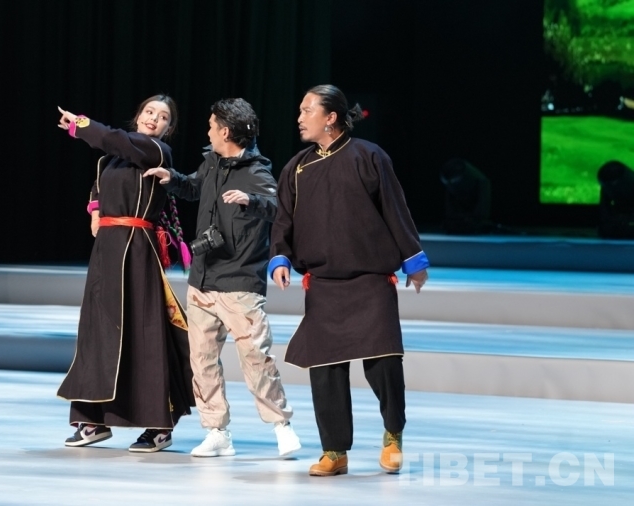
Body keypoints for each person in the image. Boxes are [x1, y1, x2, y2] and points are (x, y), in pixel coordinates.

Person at [269, 85, 429, 476]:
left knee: (384, 361)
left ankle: (393, 434)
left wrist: (413, 259)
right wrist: (280, 257)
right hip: (324, 283)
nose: (299, 118)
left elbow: (395, 208)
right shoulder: (297, 167)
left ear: (331, 118)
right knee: (324, 368)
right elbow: (284, 219)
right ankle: (334, 450)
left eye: (307, 110)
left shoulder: (369, 156)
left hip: (370, 279)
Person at [143, 98, 301, 458]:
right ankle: (216, 431)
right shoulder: (211, 162)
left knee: (256, 357)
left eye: (212, 126)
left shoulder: (258, 171)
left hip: (239, 282)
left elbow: (280, 209)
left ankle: (281, 425)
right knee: (202, 360)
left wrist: (250, 200)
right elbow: (195, 187)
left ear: (226, 132)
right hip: (202, 280)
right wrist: (173, 179)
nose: (209, 131)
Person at [55, 95, 194, 453]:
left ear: (168, 128)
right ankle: (93, 420)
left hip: (137, 250)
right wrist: (95, 210)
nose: (154, 119)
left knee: (144, 334)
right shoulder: (110, 159)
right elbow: (99, 185)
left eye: (163, 117)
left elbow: (113, 139)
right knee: (97, 331)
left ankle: (159, 425)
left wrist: (80, 125)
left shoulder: (155, 151)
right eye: (149, 112)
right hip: (107, 250)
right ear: (138, 115)